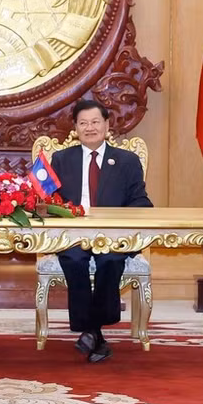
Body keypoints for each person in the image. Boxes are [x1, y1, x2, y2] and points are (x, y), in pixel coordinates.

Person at [51, 98, 152, 363]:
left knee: (110, 260)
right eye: (83, 123)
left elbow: (140, 200)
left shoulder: (127, 161)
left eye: (95, 122)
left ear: (107, 125)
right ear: (75, 128)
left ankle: (91, 330)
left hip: (113, 236)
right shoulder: (61, 159)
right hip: (73, 235)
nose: (90, 128)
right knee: (74, 259)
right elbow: (48, 200)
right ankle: (95, 331)